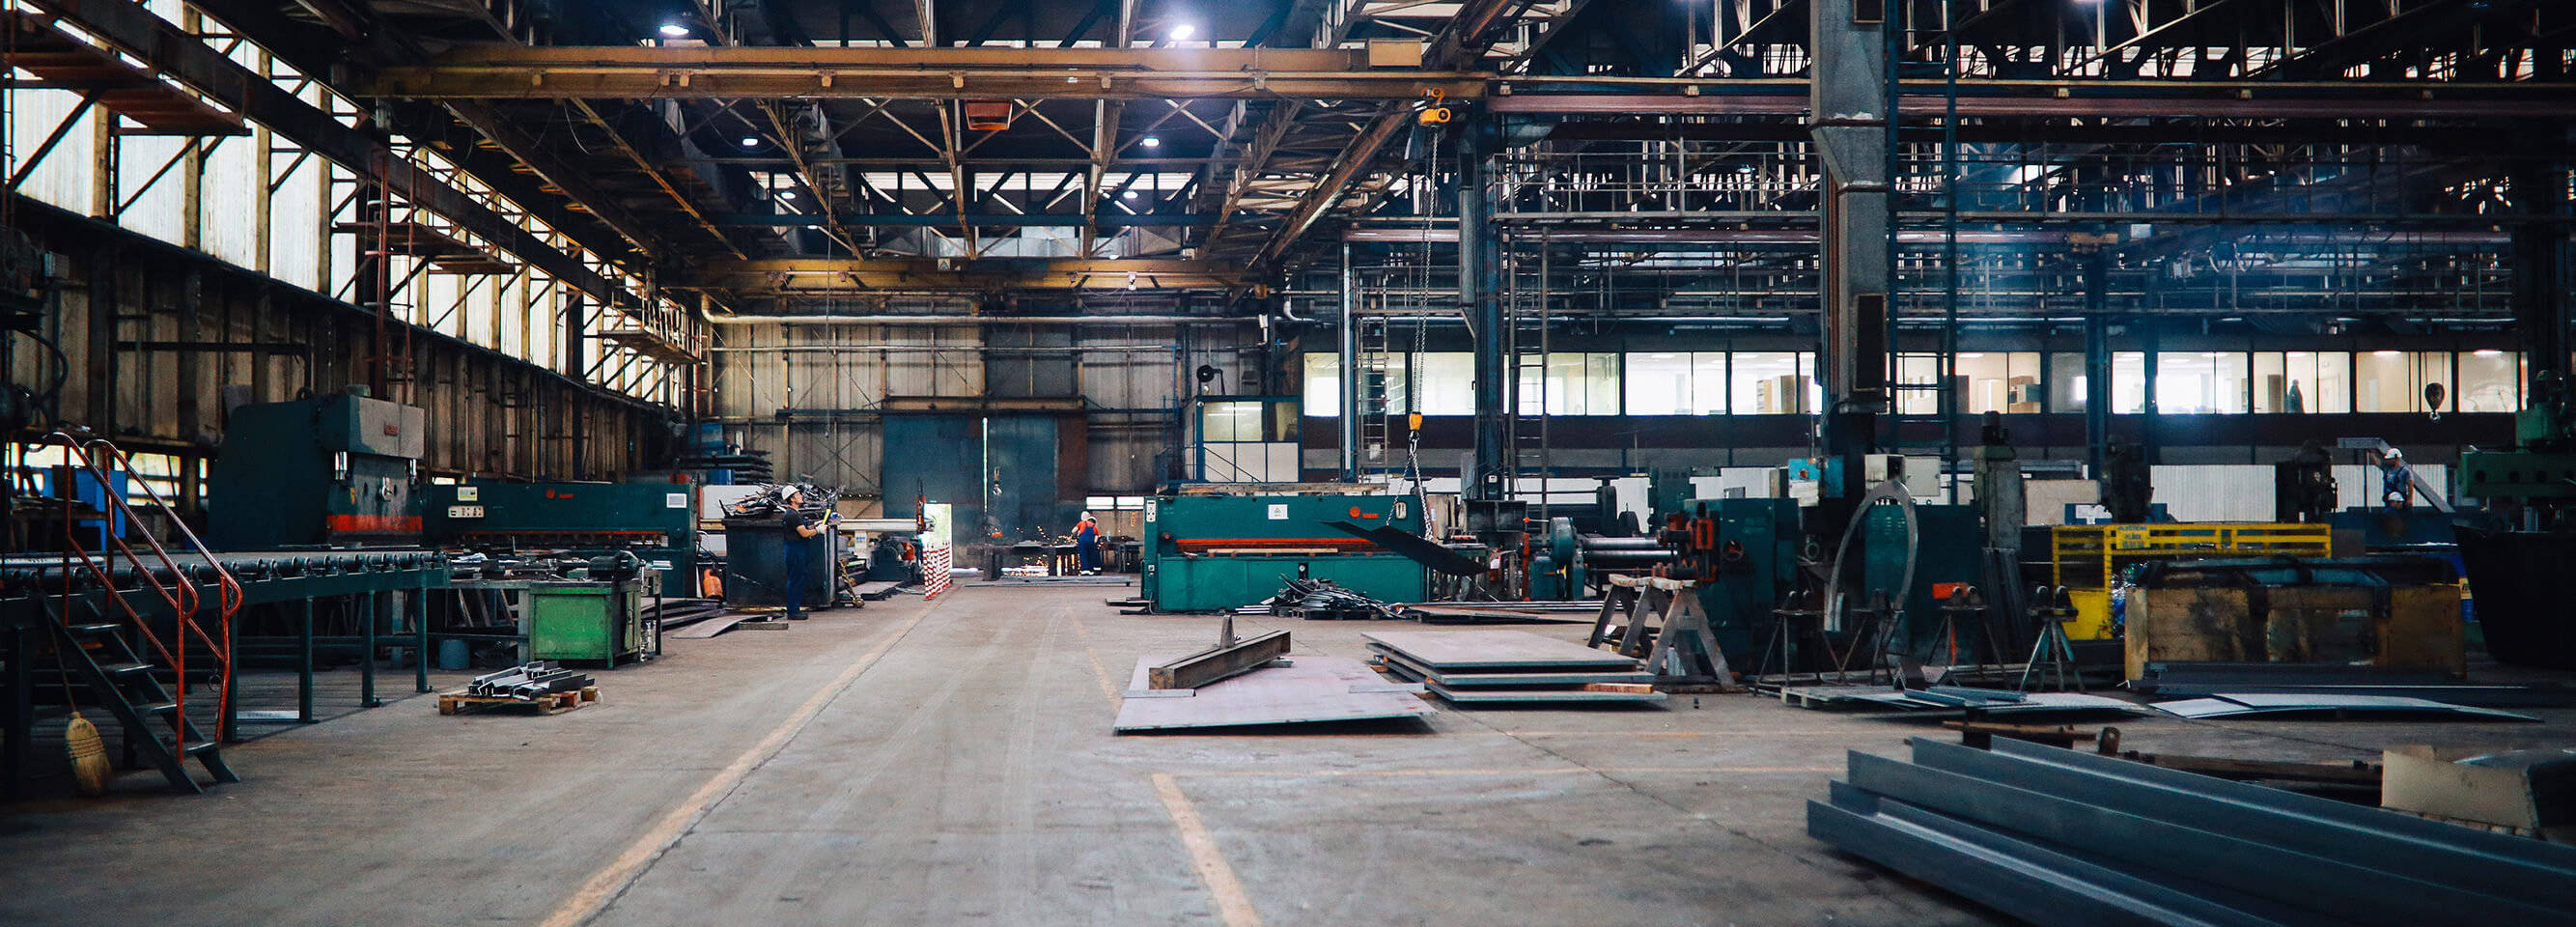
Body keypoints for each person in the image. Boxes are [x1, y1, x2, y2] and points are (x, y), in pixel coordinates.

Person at [781, 488, 826, 619]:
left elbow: (804, 529)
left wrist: (815, 526)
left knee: (798, 579)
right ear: (792, 498)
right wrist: (818, 531)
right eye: (798, 494)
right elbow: (804, 533)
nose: (801, 496)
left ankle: (794, 609)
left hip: (797, 549)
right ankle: (793, 611)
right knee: (795, 580)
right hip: (796, 550)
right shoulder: (792, 515)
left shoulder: (795, 514)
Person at [2379, 447, 2414, 512]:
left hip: (2400, 501)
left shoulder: (2405, 471)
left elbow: (2410, 486)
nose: (2387, 461)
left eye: (2390, 459)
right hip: (2389, 500)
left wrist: (2410, 499)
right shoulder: (2386, 469)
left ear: (2396, 459)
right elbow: (2376, 462)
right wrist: (2370, 452)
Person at [1072, 511, 1101, 576]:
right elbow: (1096, 538)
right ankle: (1091, 570)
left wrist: (1076, 536)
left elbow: (1073, 531)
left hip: (1082, 542)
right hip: (1091, 542)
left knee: (1083, 555)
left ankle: (1085, 571)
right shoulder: (1094, 526)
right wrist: (1093, 543)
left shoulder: (1081, 523)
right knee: (1091, 555)